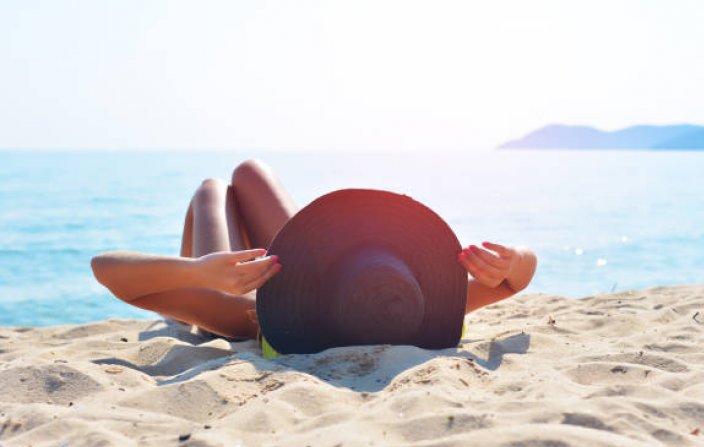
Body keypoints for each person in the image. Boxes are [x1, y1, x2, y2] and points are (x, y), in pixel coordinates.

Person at [91, 160, 537, 345]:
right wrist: (511, 260)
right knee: (250, 172)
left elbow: (108, 271)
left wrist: (199, 272)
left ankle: (176, 317)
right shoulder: (413, 307)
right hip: (311, 276)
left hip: (239, 287)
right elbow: (519, 279)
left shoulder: (245, 314)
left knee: (213, 190)